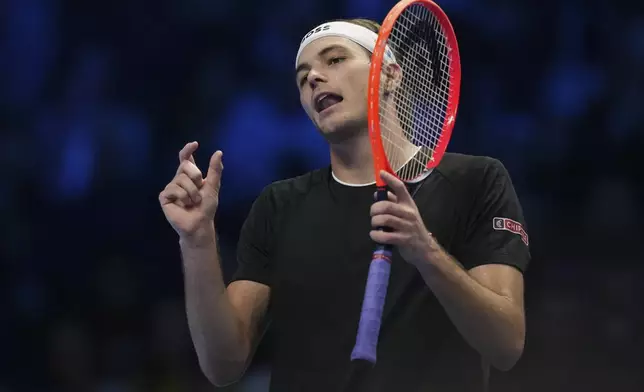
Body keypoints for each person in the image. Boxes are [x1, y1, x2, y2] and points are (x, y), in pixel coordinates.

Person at [159, 18, 530, 392]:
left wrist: (426, 253)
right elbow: (224, 364)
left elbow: (506, 344)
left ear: (390, 74)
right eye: (302, 77)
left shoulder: (475, 180)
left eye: (334, 60)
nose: (314, 78)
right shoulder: (279, 204)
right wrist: (197, 241)